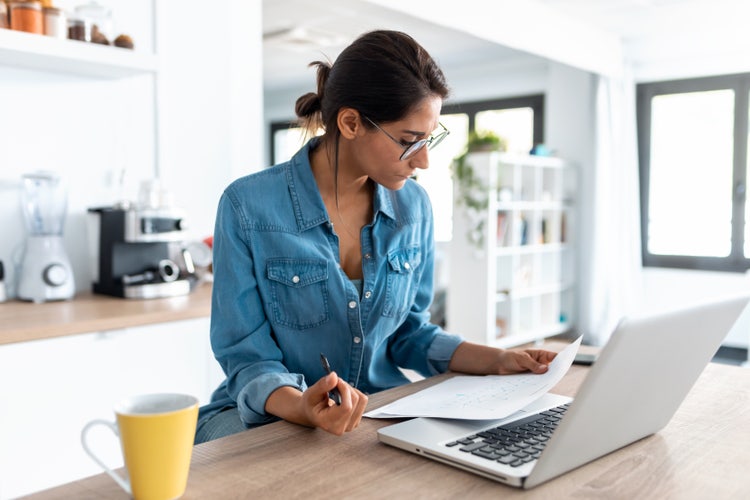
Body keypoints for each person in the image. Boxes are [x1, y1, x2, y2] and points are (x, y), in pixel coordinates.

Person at [195, 30, 557, 444]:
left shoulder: (415, 208)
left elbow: (411, 335)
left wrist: (498, 360)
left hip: (378, 414)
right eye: (408, 142)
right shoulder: (248, 205)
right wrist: (303, 406)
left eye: (429, 138)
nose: (423, 160)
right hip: (270, 417)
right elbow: (247, 357)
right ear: (350, 123)